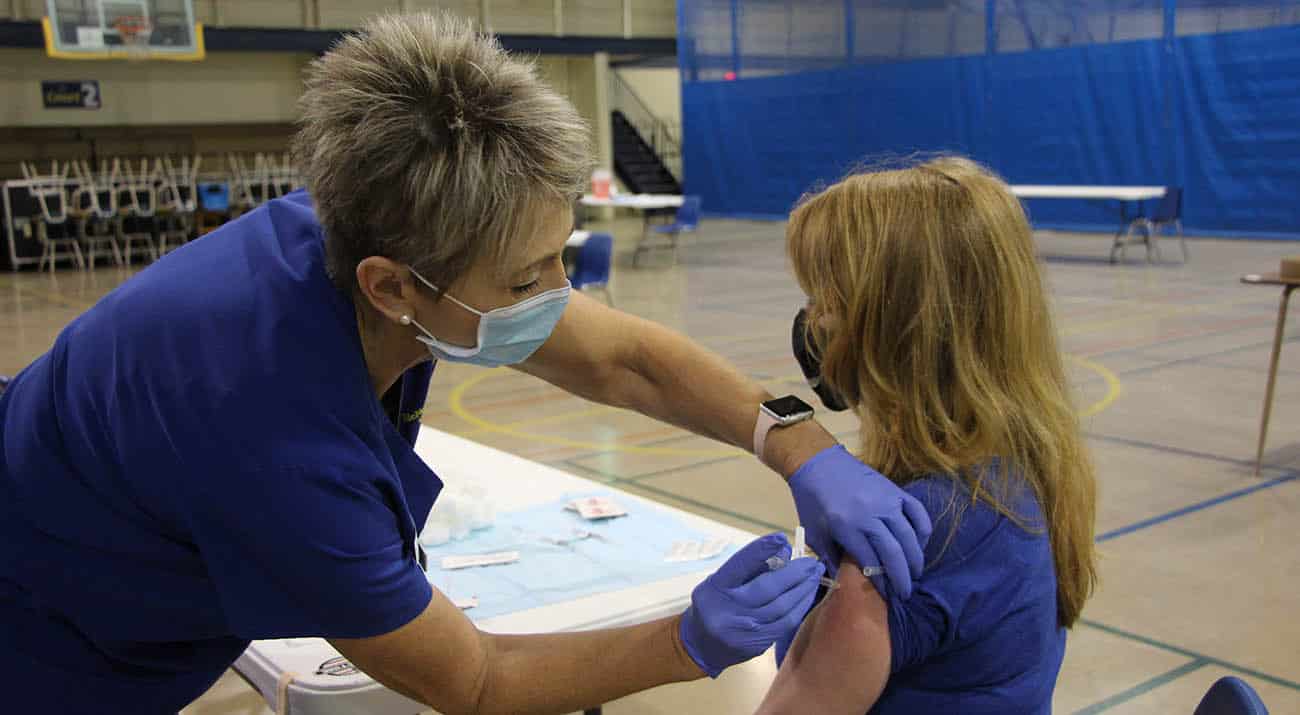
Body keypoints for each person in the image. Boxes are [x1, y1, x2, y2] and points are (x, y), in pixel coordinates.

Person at [0, 13, 931, 714]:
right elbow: (476, 677)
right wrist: (692, 638)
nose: (559, 297)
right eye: (527, 275)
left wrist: (795, 442)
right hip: (48, 643)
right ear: (393, 287)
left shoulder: (340, 228)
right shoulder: (274, 444)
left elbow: (625, 361)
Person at [755, 157, 1099, 714]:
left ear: (890, 331)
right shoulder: (1014, 467)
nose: (811, 321)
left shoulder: (923, 529)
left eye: (827, 301)